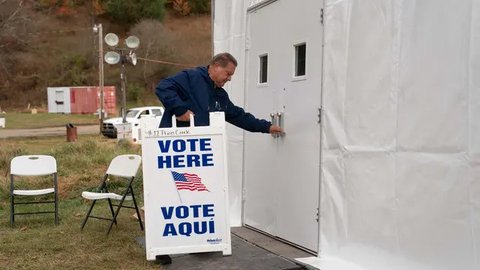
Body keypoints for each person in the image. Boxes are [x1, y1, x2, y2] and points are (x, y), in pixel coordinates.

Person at [155, 52, 283, 135]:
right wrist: (180, 109)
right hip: (173, 146)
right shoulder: (191, 77)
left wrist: (267, 127)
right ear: (216, 66)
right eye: (228, 74)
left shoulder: (220, 96)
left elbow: (238, 116)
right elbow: (163, 87)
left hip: (201, 151)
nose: (229, 79)